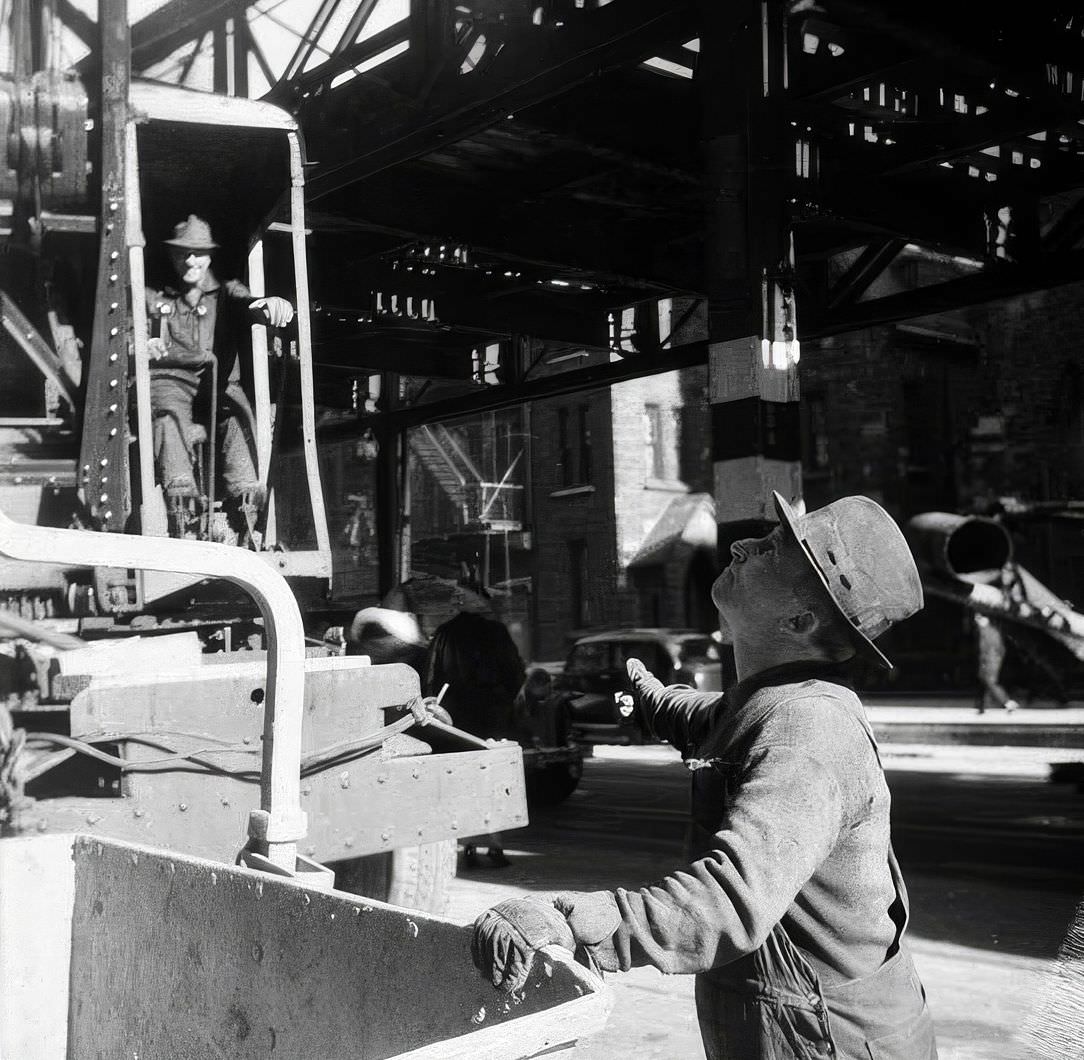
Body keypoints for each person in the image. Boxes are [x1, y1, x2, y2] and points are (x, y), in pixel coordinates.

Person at [471, 491, 939, 1059]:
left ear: (799, 619)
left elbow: (727, 902)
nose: (741, 545)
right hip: (794, 1021)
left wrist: (571, 919)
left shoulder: (805, 730)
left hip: (826, 1037)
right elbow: (702, 717)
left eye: (770, 551)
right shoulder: (766, 700)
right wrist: (649, 694)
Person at [145, 215, 294, 539]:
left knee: (238, 422)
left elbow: (248, 303)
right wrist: (144, 343)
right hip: (171, 380)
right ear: (172, 256)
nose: (191, 260)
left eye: (197, 253)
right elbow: (131, 330)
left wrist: (267, 304)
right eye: (183, 253)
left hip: (218, 384)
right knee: (168, 417)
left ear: (209, 256)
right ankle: (182, 512)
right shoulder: (154, 295)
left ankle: (246, 516)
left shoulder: (226, 292)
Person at [426, 609, 526, 868]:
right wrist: (504, 703)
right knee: (491, 782)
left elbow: (431, 675)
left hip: (454, 720)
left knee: (459, 781)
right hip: (490, 717)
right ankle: (495, 845)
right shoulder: (495, 631)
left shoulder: (445, 632)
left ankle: (468, 845)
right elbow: (515, 672)